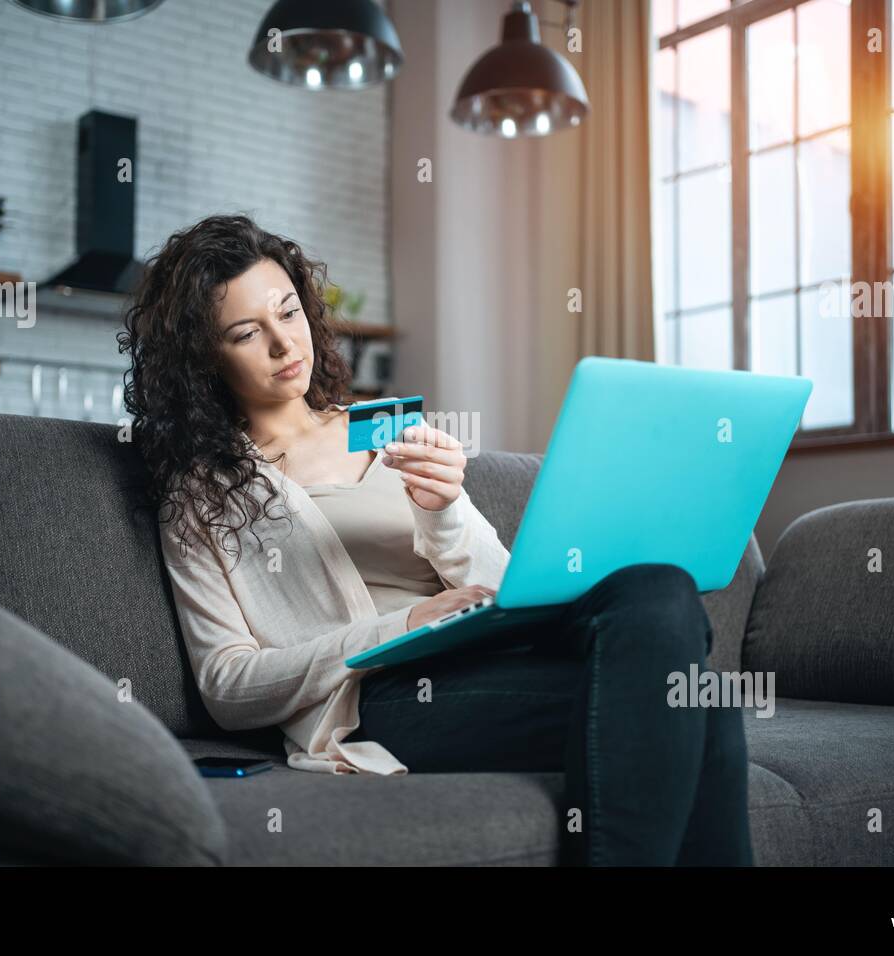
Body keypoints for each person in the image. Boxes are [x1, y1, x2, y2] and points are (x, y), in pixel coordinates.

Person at [118, 213, 754, 866]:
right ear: (205, 359)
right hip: (391, 695)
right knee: (696, 702)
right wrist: (400, 628)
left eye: (288, 312)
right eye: (248, 333)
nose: (285, 345)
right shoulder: (205, 491)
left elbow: (501, 586)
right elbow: (227, 684)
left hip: (497, 641)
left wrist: (445, 509)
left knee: (660, 586)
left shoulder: (383, 424)